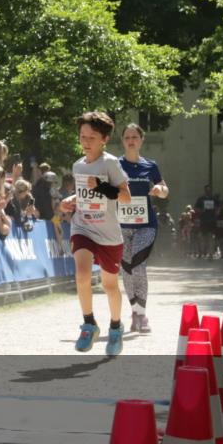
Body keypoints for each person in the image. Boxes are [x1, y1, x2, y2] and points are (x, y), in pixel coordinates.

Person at [60, 111, 131, 356]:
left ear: (104, 139)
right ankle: (89, 324)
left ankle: (115, 327)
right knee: (81, 275)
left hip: (109, 233)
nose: (86, 142)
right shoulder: (78, 165)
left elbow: (125, 196)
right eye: (82, 136)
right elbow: (83, 196)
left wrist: (101, 187)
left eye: (91, 137)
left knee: (110, 285)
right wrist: (70, 200)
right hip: (83, 227)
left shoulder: (110, 163)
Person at [117, 123, 168, 334]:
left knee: (138, 265)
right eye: (127, 137)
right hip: (121, 226)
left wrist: (159, 189)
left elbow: (165, 190)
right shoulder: (115, 165)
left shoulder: (150, 166)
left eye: (135, 137)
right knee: (127, 270)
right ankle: (135, 311)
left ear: (141, 140)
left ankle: (142, 314)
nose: (131, 140)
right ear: (123, 140)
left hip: (146, 225)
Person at [195, 185, 219, 259]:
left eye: (209, 190)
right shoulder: (201, 199)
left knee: (210, 237)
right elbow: (196, 208)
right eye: (207, 190)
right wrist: (201, 211)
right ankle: (201, 252)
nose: (208, 191)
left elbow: (219, 208)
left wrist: (216, 211)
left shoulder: (214, 199)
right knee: (202, 237)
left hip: (212, 220)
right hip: (203, 220)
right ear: (204, 190)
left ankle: (210, 254)